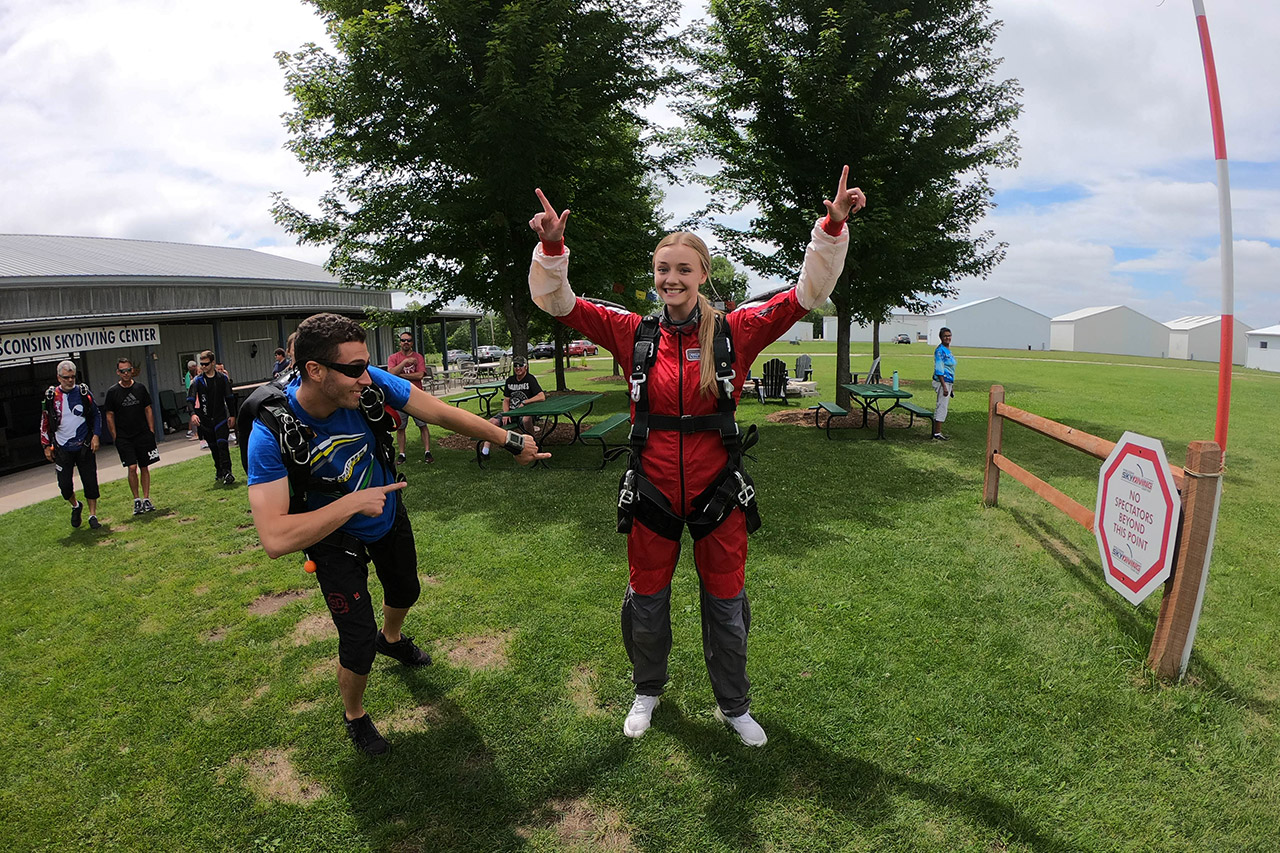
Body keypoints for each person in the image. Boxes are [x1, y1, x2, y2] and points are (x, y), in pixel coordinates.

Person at [527, 167, 865, 747]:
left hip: (718, 495)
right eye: (663, 269)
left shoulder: (736, 331)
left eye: (684, 269)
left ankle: (733, 705)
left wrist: (831, 228)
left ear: (703, 275)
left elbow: (806, 295)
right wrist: (552, 246)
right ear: (654, 278)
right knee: (647, 602)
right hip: (654, 492)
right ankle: (647, 690)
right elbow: (558, 302)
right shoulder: (633, 332)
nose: (672, 278)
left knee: (727, 605)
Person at [245, 312, 548, 755]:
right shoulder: (270, 433)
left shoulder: (370, 385)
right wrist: (350, 502)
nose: (366, 377)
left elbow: (441, 413)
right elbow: (274, 538)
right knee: (355, 641)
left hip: (386, 513)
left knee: (406, 590)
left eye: (366, 364)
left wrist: (510, 441)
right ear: (315, 370)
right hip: (331, 540)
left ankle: (392, 639)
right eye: (353, 369)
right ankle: (355, 714)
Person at [39, 359, 103, 530]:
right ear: (59, 378)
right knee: (65, 485)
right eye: (66, 377)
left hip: (84, 445)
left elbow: (96, 415)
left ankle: (92, 515)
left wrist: (96, 435)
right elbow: (45, 421)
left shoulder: (83, 393)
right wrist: (46, 445)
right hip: (62, 447)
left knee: (90, 481)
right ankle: (75, 505)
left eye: (73, 377)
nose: (70, 380)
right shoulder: (52, 396)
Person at [103, 356, 159, 514]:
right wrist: (115, 436)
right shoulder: (113, 392)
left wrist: (151, 430)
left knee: (144, 466)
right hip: (124, 437)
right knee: (132, 467)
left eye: (128, 370)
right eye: (123, 371)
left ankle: (146, 499)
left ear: (132, 371)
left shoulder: (140, 388)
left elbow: (148, 409)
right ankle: (136, 500)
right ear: (118, 372)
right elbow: (109, 415)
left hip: (142, 434)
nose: (126, 373)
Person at [478, 356, 545, 459]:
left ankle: (533, 446)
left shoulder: (530, 379)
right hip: (511, 411)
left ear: (526, 367)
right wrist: (506, 413)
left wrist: (525, 402)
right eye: (516, 366)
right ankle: (485, 452)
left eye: (521, 365)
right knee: (492, 422)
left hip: (526, 411)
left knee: (526, 420)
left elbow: (541, 396)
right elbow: (506, 400)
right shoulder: (510, 380)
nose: (518, 368)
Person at [188, 350, 238, 484]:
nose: (204, 367)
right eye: (202, 364)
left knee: (222, 444)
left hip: (220, 417)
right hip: (205, 419)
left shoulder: (222, 379)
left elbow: (229, 398)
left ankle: (228, 472)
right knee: (214, 447)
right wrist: (193, 414)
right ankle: (219, 469)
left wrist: (232, 415)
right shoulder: (197, 381)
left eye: (206, 364)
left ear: (213, 363)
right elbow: (190, 400)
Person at [386, 331, 434, 464]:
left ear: (412, 342)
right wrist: (405, 362)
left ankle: (427, 452)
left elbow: (419, 375)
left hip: (417, 397)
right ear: (400, 342)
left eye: (408, 340)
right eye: (403, 340)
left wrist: (399, 375)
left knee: (422, 425)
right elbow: (391, 373)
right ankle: (402, 454)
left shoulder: (418, 357)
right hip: (399, 397)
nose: (406, 342)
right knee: (400, 427)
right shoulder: (393, 357)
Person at [932, 327, 956, 441]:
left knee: (943, 406)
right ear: (941, 337)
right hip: (942, 381)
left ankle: (937, 431)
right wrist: (945, 387)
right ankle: (937, 432)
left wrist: (952, 387)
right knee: (942, 406)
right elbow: (940, 369)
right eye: (945, 336)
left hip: (948, 381)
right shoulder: (940, 351)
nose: (948, 338)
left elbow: (951, 368)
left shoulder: (948, 350)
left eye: (949, 335)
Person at [183, 360, 199, 438]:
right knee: (193, 414)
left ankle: (193, 431)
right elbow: (189, 387)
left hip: (195, 398)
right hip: (192, 398)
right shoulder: (188, 376)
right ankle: (192, 431)